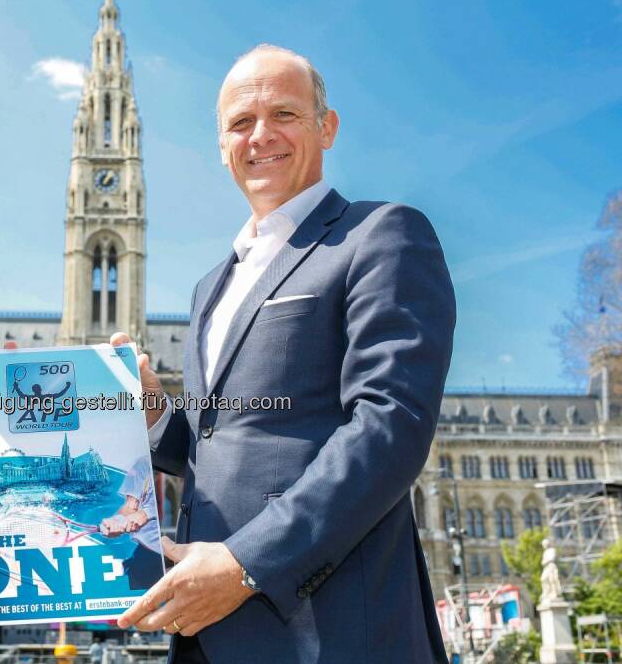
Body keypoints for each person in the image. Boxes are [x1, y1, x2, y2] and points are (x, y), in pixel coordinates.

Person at [112, 45, 455, 663]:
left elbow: (389, 426)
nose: (260, 136)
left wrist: (246, 564)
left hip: (331, 632)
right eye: (241, 123)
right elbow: (224, 446)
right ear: (221, 145)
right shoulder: (210, 287)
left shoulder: (380, 234)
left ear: (326, 127)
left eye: (284, 115)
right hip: (205, 636)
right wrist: (156, 414)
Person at [99, 455, 164, 589]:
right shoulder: (143, 463)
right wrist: (118, 520)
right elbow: (130, 507)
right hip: (148, 559)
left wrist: (146, 513)